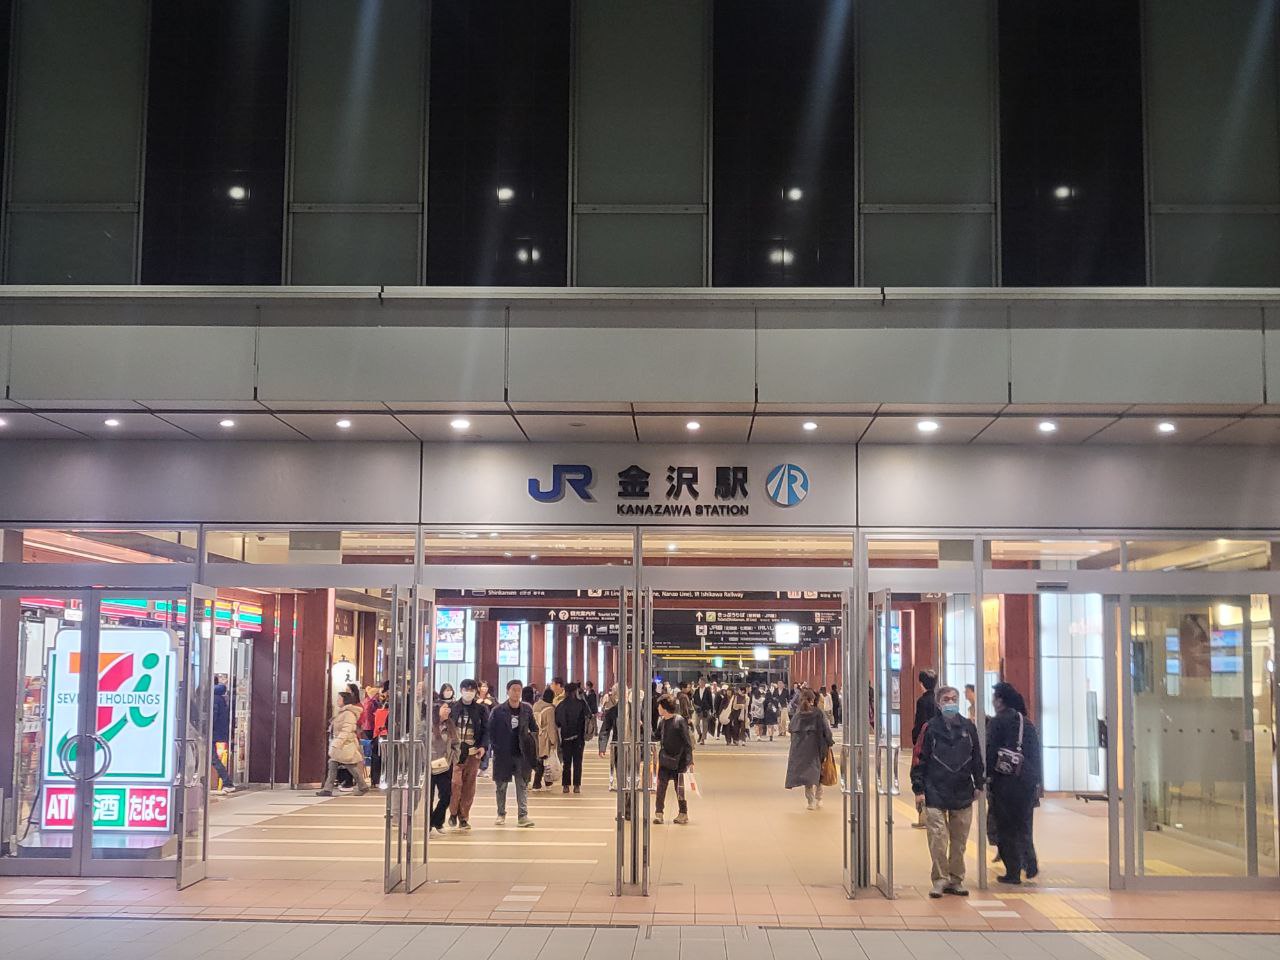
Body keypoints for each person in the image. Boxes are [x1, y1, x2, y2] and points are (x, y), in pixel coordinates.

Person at [910, 685, 984, 898]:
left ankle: (956, 879)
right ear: (938, 703)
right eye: (946, 699)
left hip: (962, 790)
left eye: (953, 699)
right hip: (935, 790)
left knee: (959, 842)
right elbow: (919, 759)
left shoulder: (968, 728)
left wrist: (979, 784)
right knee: (938, 839)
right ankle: (940, 879)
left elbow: (977, 757)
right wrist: (918, 789)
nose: (950, 703)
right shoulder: (930, 728)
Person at [986, 681, 1042, 884]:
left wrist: (986, 776)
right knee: (1024, 823)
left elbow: (990, 751)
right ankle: (1030, 862)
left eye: (994, 698)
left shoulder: (997, 722)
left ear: (1000, 701)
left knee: (1005, 826)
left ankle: (1013, 871)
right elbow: (1035, 753)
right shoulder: (1026, 722)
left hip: (1004, 782)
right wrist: (1036, 781)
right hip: (1026, 782)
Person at [489, 679, 537, 828]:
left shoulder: (527, 709)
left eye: (519, 690)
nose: (516, 693)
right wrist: (496, 747)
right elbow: (491, 731)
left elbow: (534, 728)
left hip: (521, 754)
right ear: (507, 691)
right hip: (503, 753)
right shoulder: (498, 710)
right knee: (501, 785)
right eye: (513, 690)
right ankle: (501, 813)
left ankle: (523, 815)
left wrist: (531, 743)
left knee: (522, 785)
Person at [447, 679, 488, 832]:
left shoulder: (481, 709)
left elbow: (486, 730)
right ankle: (453, 812)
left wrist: (483, 747)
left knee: (469, 787)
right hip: (455, 753)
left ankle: (464, 817)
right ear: (461, 690)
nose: (468, 692)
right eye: (466, 689)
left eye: (472, 690)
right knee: (455, 784)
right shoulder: (453, 707)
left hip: (473, 753)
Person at [785, 689, 834, 810]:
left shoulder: (798, 714)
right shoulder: (818, 713)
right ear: (813, 700)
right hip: (817, 747)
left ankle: (810, 801)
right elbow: (826, 730)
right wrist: (829, 741)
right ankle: (819, 798)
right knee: (819, 773)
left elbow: (790, 728)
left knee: (807, 776)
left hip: (801, 749)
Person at [316, 690, 370, 796]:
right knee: (335, 764)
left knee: (349, 766)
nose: (337, 700)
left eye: (339, 699)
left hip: (345, 744)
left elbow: (347, 729)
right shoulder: (342, 713)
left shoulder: (348, 714)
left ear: (345, 700)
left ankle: (362, 786)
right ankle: (328, 789)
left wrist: (338, 742)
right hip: (342, 744)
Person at [653, 694, 694, 825]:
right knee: (661, 787)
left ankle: (683, 813)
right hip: (665, 760)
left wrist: (690, 761)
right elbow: (656, 736)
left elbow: (688, 743)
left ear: (664, 707)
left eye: (659, 706)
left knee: (679, 788)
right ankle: (659, 813)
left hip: (679, 761)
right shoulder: (662, 722)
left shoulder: (679, 721)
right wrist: (643, 728)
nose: (658, 708)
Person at [911, 669, 940, 829]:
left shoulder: (922, 701)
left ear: (921, 684)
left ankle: (923, 817)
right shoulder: (938, 701)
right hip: (938, 745)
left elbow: (919, 724)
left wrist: (915, 739)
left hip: (924, 744)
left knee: (920, 777)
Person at [429, 702, 460, 837]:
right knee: (428, 797)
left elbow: (456, 744)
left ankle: (436, 821)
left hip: (445, 765)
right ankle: (427, 824)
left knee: (446, 795)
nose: (447, 710)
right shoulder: (428, 725)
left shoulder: (450, 726)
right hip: (429, 765)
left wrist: (454, 758)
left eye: (448, 708)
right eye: (444, 707)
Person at [556, 681, 589, 793]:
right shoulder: (581, 704)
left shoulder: (561, 705)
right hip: (579, 737)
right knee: (578, 762)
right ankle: (576, 785)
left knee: (566, 762)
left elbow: (557, 722)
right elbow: (588, 716)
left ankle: (566, 785)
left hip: (565, 737)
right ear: (575, 691)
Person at [211, 681, 236, 794]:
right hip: (219, 733)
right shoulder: (222, 699)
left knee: (213, 759)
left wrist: (206, 729)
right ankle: (227, 782)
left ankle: (227, 782)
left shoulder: (214, 699)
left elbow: (213, 718)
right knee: (213, 758)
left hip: (213, 734)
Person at [532, 687, 559, 790]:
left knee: (540, 759)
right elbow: (551, 726)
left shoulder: (536, 705)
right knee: (545, 760)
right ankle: (539, 783)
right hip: (545, 737)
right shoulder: (550, 709)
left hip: (535, 735)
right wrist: (553, 741)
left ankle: (545, 782)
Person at [476, 681, 495, 778]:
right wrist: (476, 703)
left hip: (488, 726)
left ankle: (483, 768)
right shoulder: (475, 699)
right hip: (476, 726)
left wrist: (491, 703)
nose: (484, 688)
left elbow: (497, 709)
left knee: (487, 747)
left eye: (486, 687)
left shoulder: (491, 699)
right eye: (482, 686)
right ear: (478, 688)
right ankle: (475, 767)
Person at [693, 679, 714, 744]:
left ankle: (703, 739)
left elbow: (710, 701)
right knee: (696, 724)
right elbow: (694, 700)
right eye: (700, 682)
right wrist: (695, 707)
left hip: (705, 710)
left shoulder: (708, 691)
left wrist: (711, 710)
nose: (701, 683)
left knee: (705, 725)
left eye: (702, 682)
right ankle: (700, 734)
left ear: (704, 683)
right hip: (698, 710)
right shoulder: (696, 691)